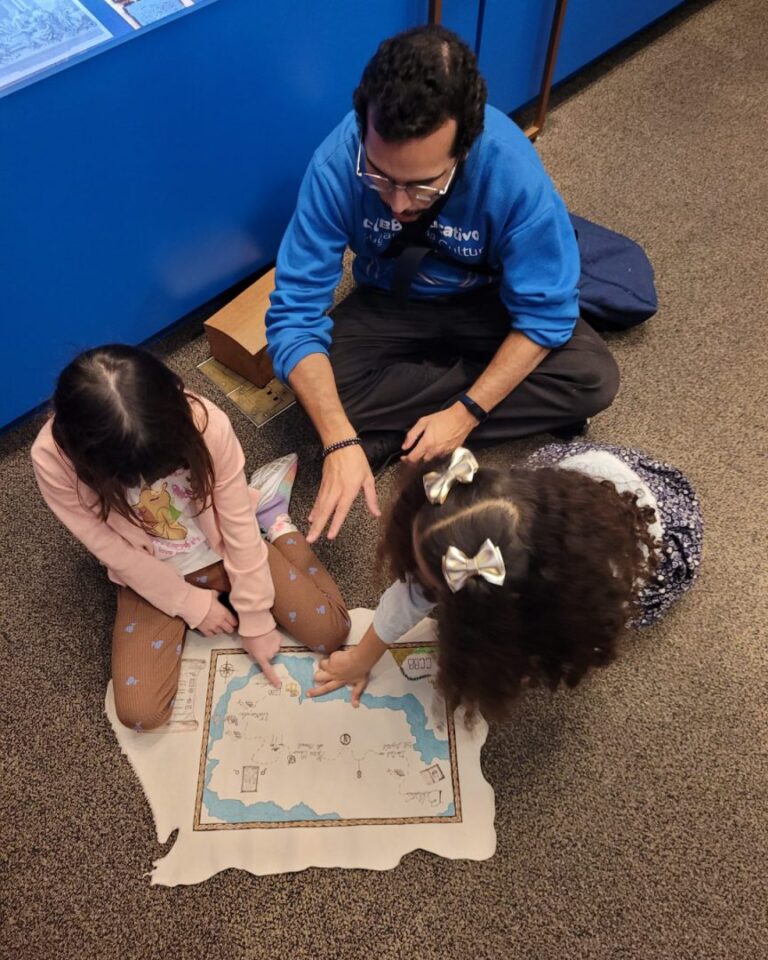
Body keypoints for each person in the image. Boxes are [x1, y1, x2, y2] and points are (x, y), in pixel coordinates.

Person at [265, 25, 620, 543]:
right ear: (364, 126)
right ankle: (453, 407)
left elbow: (546, 315)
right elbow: (294, 317)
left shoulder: (512, 171)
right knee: (309, 390)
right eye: (380, 177)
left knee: (591, 378)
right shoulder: (336, 164)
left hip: (488, 302)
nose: (398, 204)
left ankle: (400, 427)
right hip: (393, 299)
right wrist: (339, 440)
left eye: (422, 186)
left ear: (465, 146)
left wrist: (465, 413)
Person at [31, 345, 349, 730]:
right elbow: (111, 550)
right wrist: (189, 604)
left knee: (332, 632)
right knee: (140, 714)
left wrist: (254, 617)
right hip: (149, 569)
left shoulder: (206, 422)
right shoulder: (52, 458)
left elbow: (236, 525)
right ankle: (263, 521)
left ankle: (274, 519)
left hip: (223, 544)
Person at [308, 444, 702, 721]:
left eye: (434, 586)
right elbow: (410, 595)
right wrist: (360, 658)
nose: (416, 586)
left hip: (649, 545)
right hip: (583, 483)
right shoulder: (492, 507)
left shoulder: (578, 599)